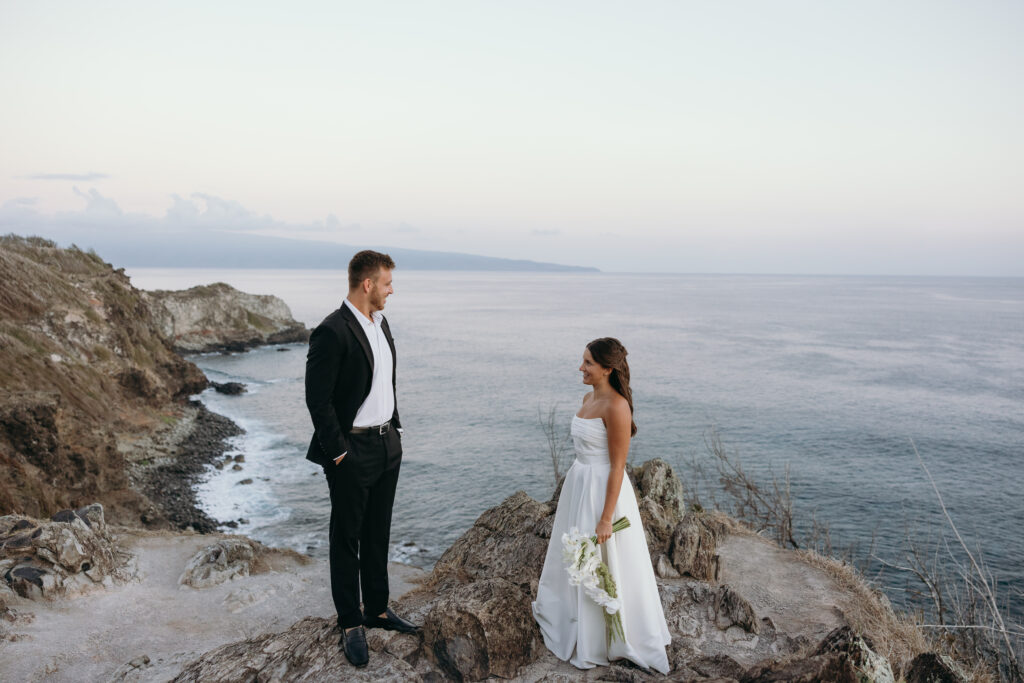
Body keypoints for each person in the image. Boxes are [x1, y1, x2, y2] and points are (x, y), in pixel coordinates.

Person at [304, 250, 419, 668]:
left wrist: (397, 429)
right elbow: (317, 401)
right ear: (367, 285)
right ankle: (351, 622)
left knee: (379, 530)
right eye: (388, 283)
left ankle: (378, 609)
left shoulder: (381, 322)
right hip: (351, 450)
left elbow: (385, 382)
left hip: (387, 445)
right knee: (347, 536)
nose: (393, 290)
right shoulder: (331, 332)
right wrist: (339, 453)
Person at [532, 337, 671, 673]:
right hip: (578, 486)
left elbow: (618, 466)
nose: (581, 367)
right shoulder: (587, 397)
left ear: (608, 369)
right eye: (583, 361)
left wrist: (607, 518)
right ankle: (574, 620)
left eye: (588, 363)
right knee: (576, 558)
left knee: (606, 564)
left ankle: (609, 636)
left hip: (603, 492)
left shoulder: (617, 407)